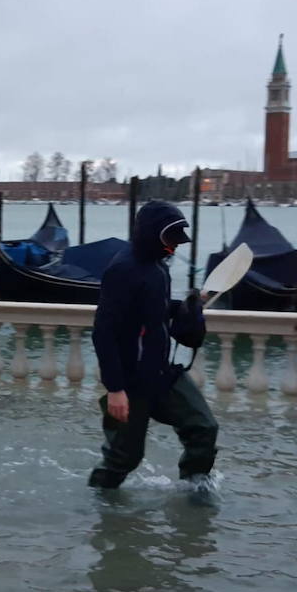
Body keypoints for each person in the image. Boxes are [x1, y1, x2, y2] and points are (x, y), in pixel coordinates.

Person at [88, 200, 218, 497]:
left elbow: (153, 310)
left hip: (162, 374)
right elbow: (103, 333)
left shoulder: (158, 265)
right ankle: (98, 508)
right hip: (131, 383)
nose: (173, 247)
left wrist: (185, 306)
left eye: (176, 240)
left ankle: (194, 492)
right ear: (150, 233)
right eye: (169, 239)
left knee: (204, 428)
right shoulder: (123, 269)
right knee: (125, 458)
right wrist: (115, 389)